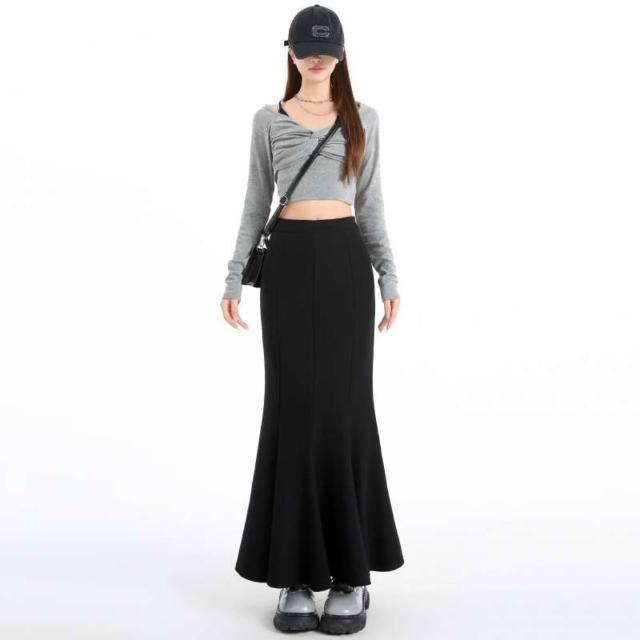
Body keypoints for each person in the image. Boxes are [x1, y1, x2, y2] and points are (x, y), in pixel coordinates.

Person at [220, 4, 404, 634]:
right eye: (307, 46)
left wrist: (389, 275)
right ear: (291, 51)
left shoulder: (363, 119)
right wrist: (233, 275)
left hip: (347, 264)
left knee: (346, 408)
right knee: (293, 407)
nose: (317, 56)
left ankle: (351, 574)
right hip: (290, 267)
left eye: (327, 47)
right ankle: (295, 575)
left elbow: (371, 202)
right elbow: (255, 201)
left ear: (342, 53)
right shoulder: (268, 119)